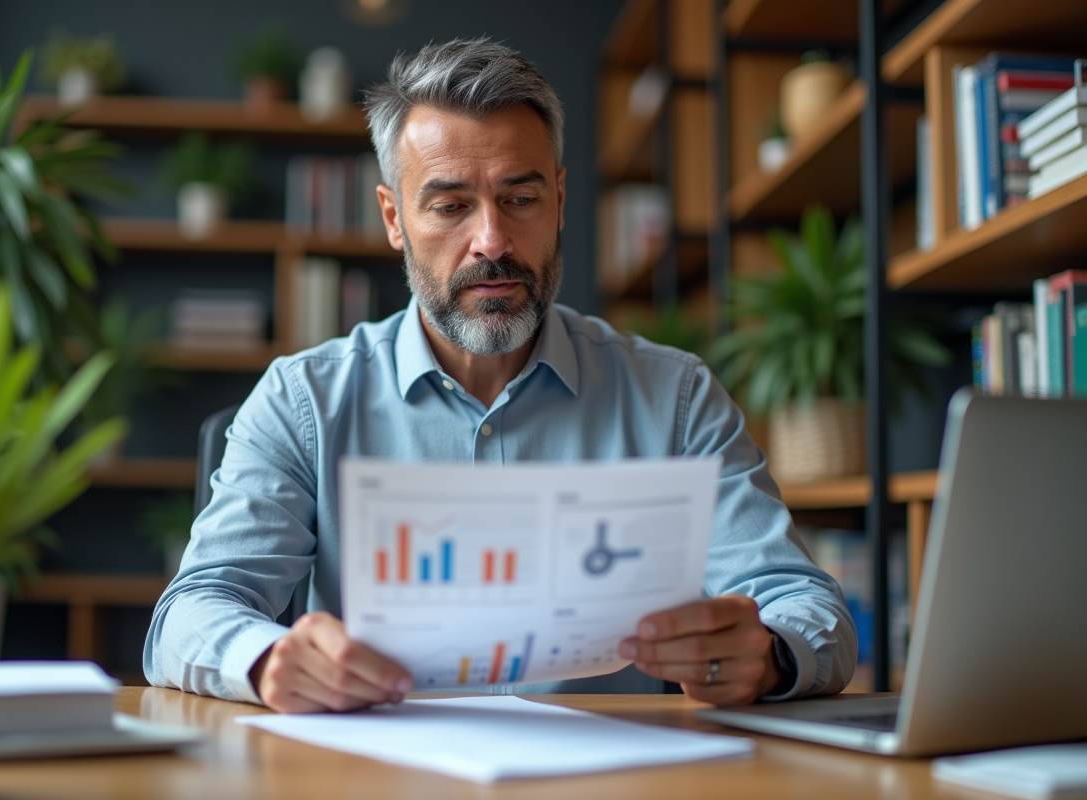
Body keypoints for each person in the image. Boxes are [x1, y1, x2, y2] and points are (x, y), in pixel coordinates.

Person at [144, 38, 856, 714]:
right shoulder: (304, 400)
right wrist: (269, 661)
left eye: (521, 198)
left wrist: (769, 654)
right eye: (451, 205)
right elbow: (193, 610)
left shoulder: (674, 398)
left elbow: (807, 605)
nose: (491, 241)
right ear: (393, 217)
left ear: (560, 200)